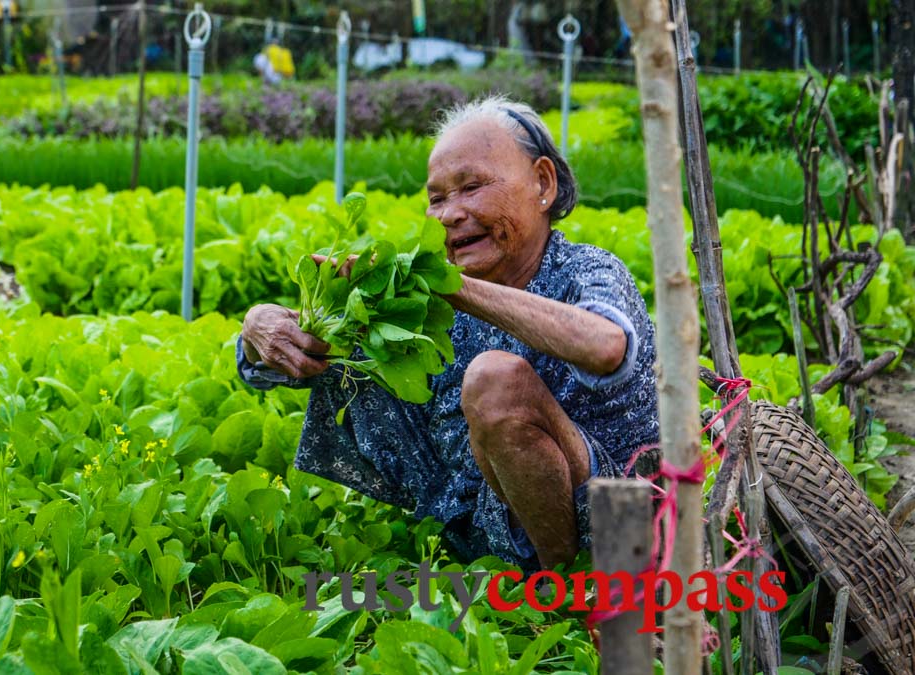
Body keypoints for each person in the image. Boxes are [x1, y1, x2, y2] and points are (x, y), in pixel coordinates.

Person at [236, 95, 659, 572]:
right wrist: (260, 326)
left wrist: (455, 288)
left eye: (472, 186)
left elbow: (607, 345)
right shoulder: (428, 299)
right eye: (437, 198)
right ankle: (523, 575)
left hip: (622, 529)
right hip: (485, 539)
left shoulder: (586, 270)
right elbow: (284, 366)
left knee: (494, 381)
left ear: (543, 183)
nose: (450, 213)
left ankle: (563, 586)